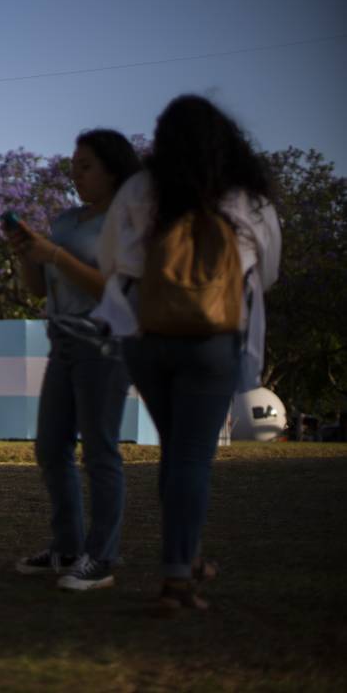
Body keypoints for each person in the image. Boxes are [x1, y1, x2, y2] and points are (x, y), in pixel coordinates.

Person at [94, 95, 281, 611]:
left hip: (145, 335)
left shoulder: (137, 189)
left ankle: (186, 557)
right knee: (192, 456)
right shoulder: (245, 197)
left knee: (177, 450)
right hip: (213, 339)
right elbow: (267, 273)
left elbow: (109, 260)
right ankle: (177, 578)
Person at [9, 129, 142, 591]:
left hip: (105, 347)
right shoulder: (66, 220)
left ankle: (101, 557)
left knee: (101, 451)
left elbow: (113, 288)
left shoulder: (128, 223)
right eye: (73, 166)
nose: (76, 174)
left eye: (86, 166)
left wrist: (57, 256)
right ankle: (67, 547)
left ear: (114, 170)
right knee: (50, 447)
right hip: (63, 344)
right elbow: (38, 289)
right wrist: (28, 254)